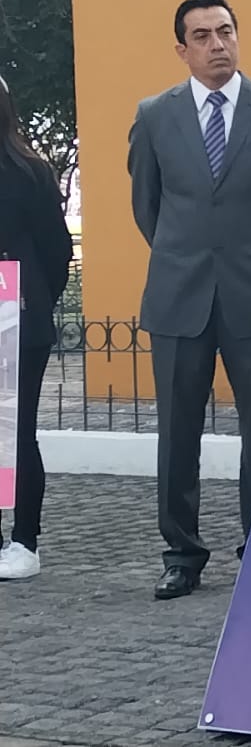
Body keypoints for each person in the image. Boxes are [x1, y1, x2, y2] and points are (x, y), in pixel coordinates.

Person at [127, 0, 251, 600]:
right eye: (203, 36)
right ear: (182, 49)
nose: (218, 44)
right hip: (180, 294)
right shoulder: (155, 115)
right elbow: (147, 206)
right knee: (177, 429)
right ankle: (181, 553)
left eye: (226, 31)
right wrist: (188, 253)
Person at [0, 75, 74, 581]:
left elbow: (57, 249)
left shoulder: (28, 172)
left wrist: (30, 295)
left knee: (14, 430)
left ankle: (24, 540)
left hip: (14, 303)